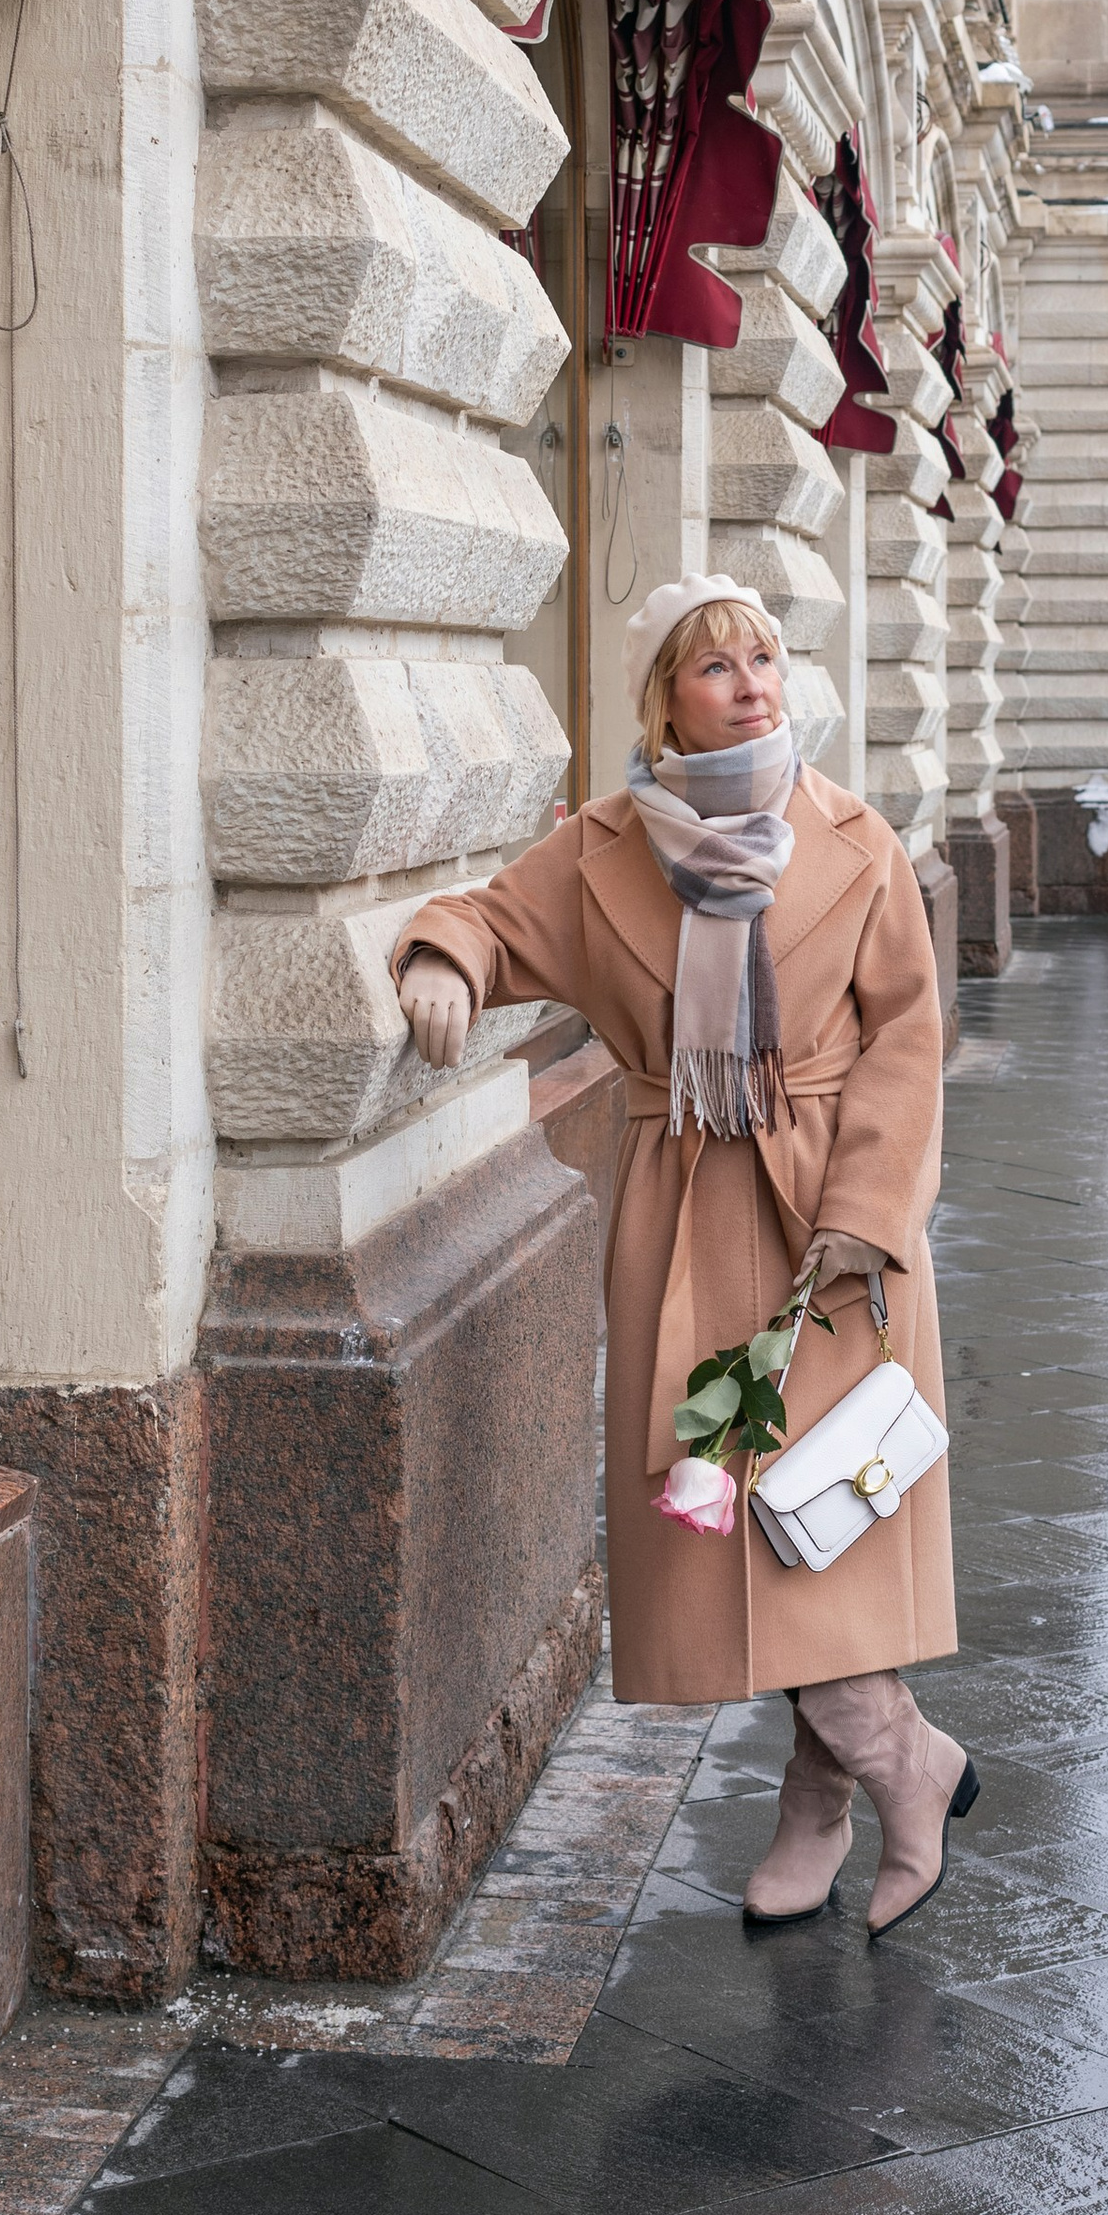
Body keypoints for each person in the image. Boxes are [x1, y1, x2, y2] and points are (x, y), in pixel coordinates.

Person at [391, 579, 967, 1942]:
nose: (754, 683)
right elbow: (490, 916)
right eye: (718, 667)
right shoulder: (602, 854)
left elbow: (905, 1036)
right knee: (728, 1526)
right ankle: (880, 1769)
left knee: (827, 1517)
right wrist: (442, 961)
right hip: (684, 1220)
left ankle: (862, 1773)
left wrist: (869, 1211)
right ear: (663, 699)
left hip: (830, 1225)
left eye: (766, 657)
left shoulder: (856, 842)